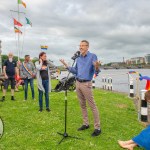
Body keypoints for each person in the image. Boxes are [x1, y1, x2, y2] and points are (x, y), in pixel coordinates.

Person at [60, 40, 101, 136]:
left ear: (87, 47)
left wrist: (97, 67)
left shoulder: (92, 56)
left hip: (86, 84)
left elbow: (97, 71)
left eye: (83, 45)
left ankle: (97, 128)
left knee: (92, 106)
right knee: (82, 105)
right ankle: (86, 124)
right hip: (78, 83)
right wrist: (66, 65)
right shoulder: (78, 58)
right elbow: (75, 71)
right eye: (80, 45)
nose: (81, 47)